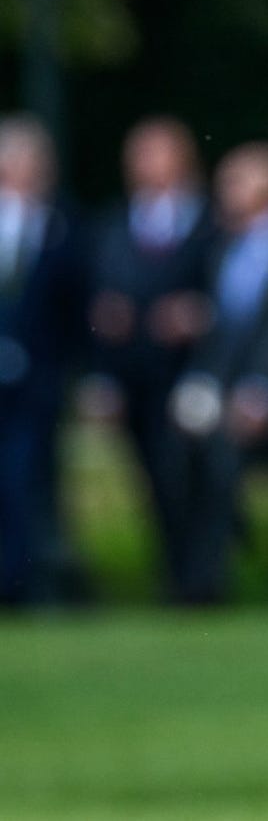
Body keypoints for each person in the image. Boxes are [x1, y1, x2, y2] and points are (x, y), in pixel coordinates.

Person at [165, 141, 268, 603]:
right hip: (230, 393)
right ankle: (202, 576)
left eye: (238, 178)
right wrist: (199, 384)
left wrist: (264, 390)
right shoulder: (225, 250)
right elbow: (222, 332)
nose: (226, 187)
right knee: (183, 453)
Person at [81, 116, 216, 598]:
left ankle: (200, 580)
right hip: (135, 373)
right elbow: (97, 292)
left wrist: (199, 314)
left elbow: (228, 295)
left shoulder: (210, 221)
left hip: (192, 372)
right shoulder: (114, 223)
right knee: (153, 480)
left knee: (190, 475)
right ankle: (177, 577)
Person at [0, 115, 84, 606]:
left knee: (27, 479)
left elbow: (75, 306)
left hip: (39, 380)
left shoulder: (62, 224)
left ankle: (23, 583)